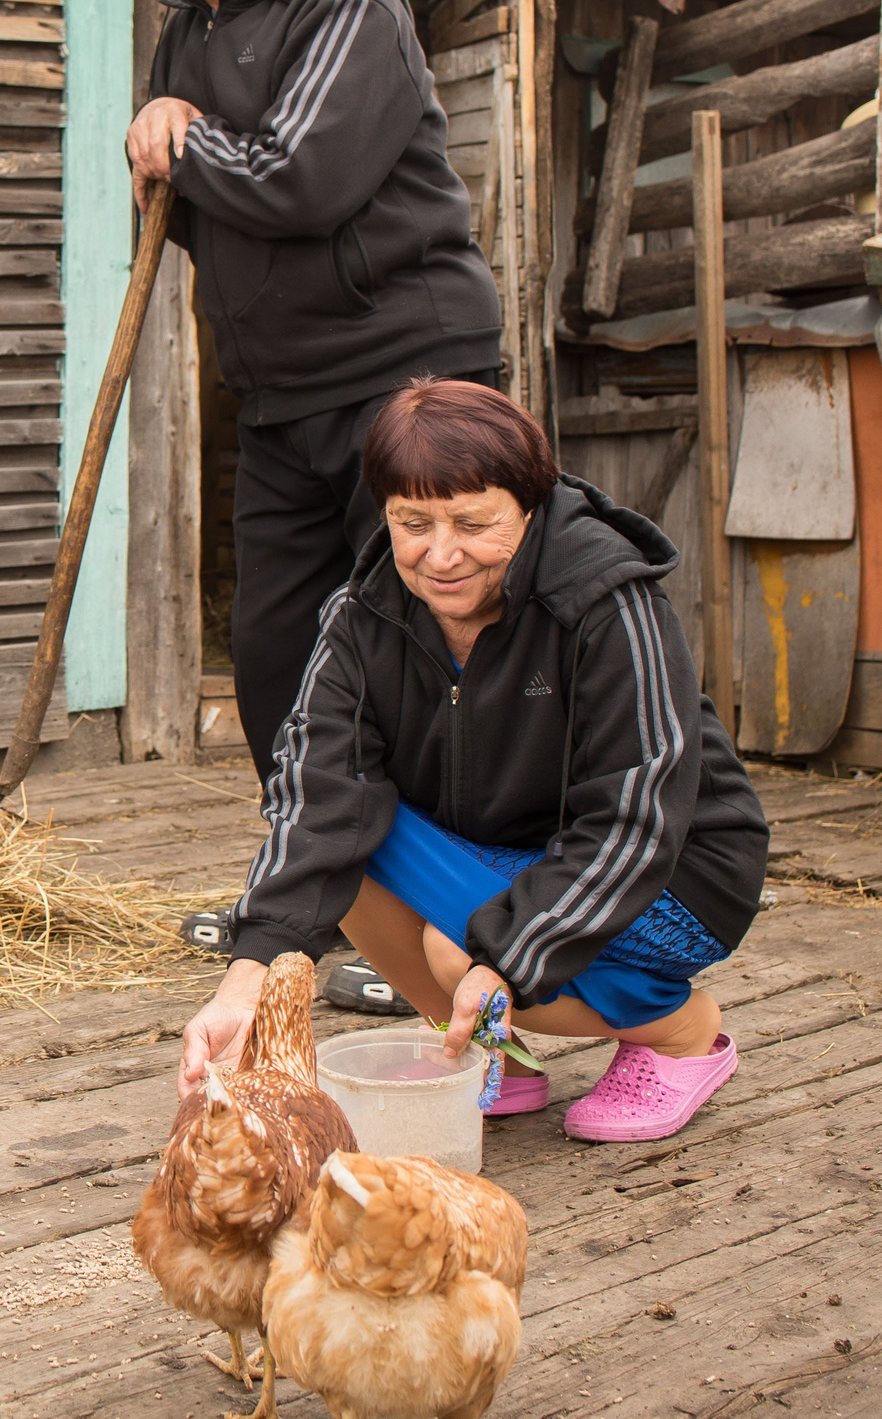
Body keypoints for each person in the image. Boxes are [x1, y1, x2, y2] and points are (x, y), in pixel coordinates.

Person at [175, 379, 771, 1142]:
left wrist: (508, 959)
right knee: (347, 846)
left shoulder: (605, 599)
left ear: (530, 504)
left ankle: (683, 1030)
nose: (441, 554)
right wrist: (248, 974)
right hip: (510, 852)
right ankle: (500, 1053)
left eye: (474, 522)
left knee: (459, 951)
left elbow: (640, 810)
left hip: (678, 868)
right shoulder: (364, 616)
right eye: (412, 522)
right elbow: (316, 796)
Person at [109, 0, 503, 785]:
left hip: (404, 381)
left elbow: (299, 180)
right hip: (283, 394)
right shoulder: (189, 30)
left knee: (426, 645)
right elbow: (194, 214)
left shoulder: (346, 0)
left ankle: (438, 922)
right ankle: (304, 902)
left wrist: (186, 137)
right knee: (274, 655)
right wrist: (159, 152)